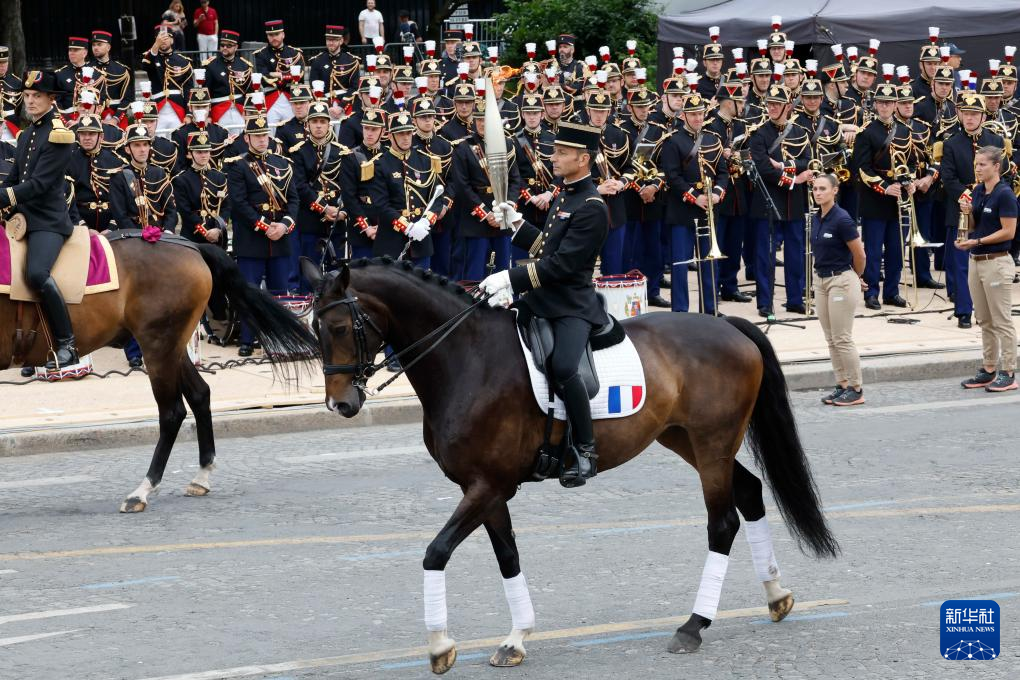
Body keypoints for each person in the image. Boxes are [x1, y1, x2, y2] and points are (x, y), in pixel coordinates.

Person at [478, 122, 610, 487]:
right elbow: (546, 248)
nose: (554, 157)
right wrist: (516, 224)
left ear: (583, 160)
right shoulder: (566, 195)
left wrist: (511, 277)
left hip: (571, 304)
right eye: (556, 151)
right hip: (542, 299)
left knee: (565, 367)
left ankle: (585, 450)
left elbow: (564, 266)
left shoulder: (593, 206)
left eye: (563, 153)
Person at [0, 70, 78, 370]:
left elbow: (40, 185)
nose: (30, 102)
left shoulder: (60, 134)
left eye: (37, 97)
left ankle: (67, 343)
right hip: (22, 218)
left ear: (51, 99)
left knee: (36, 274)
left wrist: (4, 198)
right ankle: (27, 347)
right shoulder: (27, 133)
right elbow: (16, 176)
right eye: (27, 96)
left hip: (47, 221)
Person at [227, 114, 299, 356]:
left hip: (280, 240)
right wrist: (266, 225)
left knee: (280, 293)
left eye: (264, 135)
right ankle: (248, 339)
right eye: (256, 136)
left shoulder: (283, 164)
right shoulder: (238, 166)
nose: (261, 140)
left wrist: (285, 224)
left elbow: (293, 199)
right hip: (252, 241)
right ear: (247, 138)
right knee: (250, 292)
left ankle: (279, 340)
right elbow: (239, 203)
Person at [939, 92, 1008, 328]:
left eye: (974, 114)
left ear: (982, 115)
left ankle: (987, 308)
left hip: (990, 208)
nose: (969, 118)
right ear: (959, 113)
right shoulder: (951, 143)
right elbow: (948, 178)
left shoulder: (995, 141)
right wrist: (968, 198)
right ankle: (964, 311)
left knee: (988, 260)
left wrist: (986, 198)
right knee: (960, 262)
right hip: (961, 208)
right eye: (965, 113)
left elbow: (1003, 175)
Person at [660, 92, 728, 314]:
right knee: (680, 264)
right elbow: (672, 177)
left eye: (700, 114)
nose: (698, 118)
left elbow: (723, 172)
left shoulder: (713, 139)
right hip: (683, 211)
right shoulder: (673, 141)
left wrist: (717, 193)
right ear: (685, 115)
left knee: (709, 264)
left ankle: (710, 310)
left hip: (709, 208)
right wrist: (694, 196)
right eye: (693, 114)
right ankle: (680, 312)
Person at [956, 146, 1017, 392]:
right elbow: (973, 226)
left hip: (997, 262)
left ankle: (1009, 372)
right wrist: (966, 213)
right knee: (984, 320)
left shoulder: (1005, 194)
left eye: (982, 164)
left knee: (1002, 320)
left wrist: (978, 241)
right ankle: (989, 368)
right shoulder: (979, 191)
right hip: (976, 261)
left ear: (996, 166)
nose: (977, 168)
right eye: (976, 163)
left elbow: (1008, 231)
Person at [851, 82, 915, 310]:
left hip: (899, 200)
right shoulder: (866, 132)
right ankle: (871, 293)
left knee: (897, 250)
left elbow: (913, 163)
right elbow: (861, 168)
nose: (885, 107)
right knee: (874, 250)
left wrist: (910, 183)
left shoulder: (906, 131)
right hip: (875, 200)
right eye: (881, 102)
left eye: (889, 103)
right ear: (876, 104)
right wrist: (885, 187)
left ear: (896, 105)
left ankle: (892, 292)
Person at [810, 174, 867, 406]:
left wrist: (856, 276)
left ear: (835, 191)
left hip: (840, 280)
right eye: (815, 188)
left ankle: (856, 388)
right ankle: (842, 384)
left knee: (842, 337)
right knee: (831, 338)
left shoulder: (842, 219)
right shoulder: (817, 217)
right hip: (821, 280)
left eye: (823, 188)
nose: (818, 192)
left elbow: (860, 254)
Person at [88, 30, 132, 121]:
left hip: (116, 115)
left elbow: (126, 99)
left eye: (99, 44)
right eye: (93, 45)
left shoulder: (121, 70)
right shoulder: (87, 69)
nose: (95, 48)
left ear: (108, 47)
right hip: (94, 116)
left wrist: (116, 118)